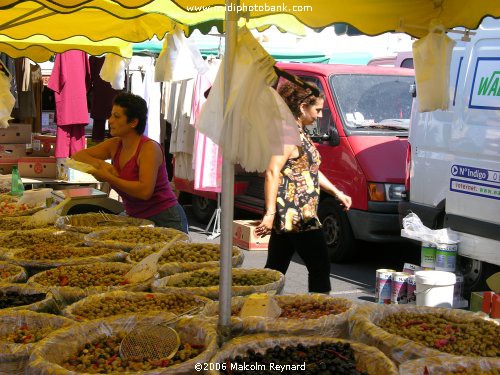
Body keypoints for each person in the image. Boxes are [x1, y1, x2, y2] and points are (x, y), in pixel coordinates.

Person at [254, 81, 352, 293]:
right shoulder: (290, 134)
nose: (318, 115)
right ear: (302, 108)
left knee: (275, 269)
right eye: (317, 110)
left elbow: (309, 170)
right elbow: (272, 171)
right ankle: (320, 318)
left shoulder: (298, 132)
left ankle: (256, 311)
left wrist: (336, 192)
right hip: (298, 215)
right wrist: (270, 214)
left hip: (291, 215)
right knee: (320, 267)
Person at [73, 92, 188, 233]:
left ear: (134, 122)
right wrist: (104, 166)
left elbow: (144, 191)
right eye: (111, 115)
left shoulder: (149, 148)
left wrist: (109, 177)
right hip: (134, 216)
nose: (110, 121)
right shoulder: (115, 144)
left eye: (117, 116)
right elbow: (79, 156)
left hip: (165, 218)